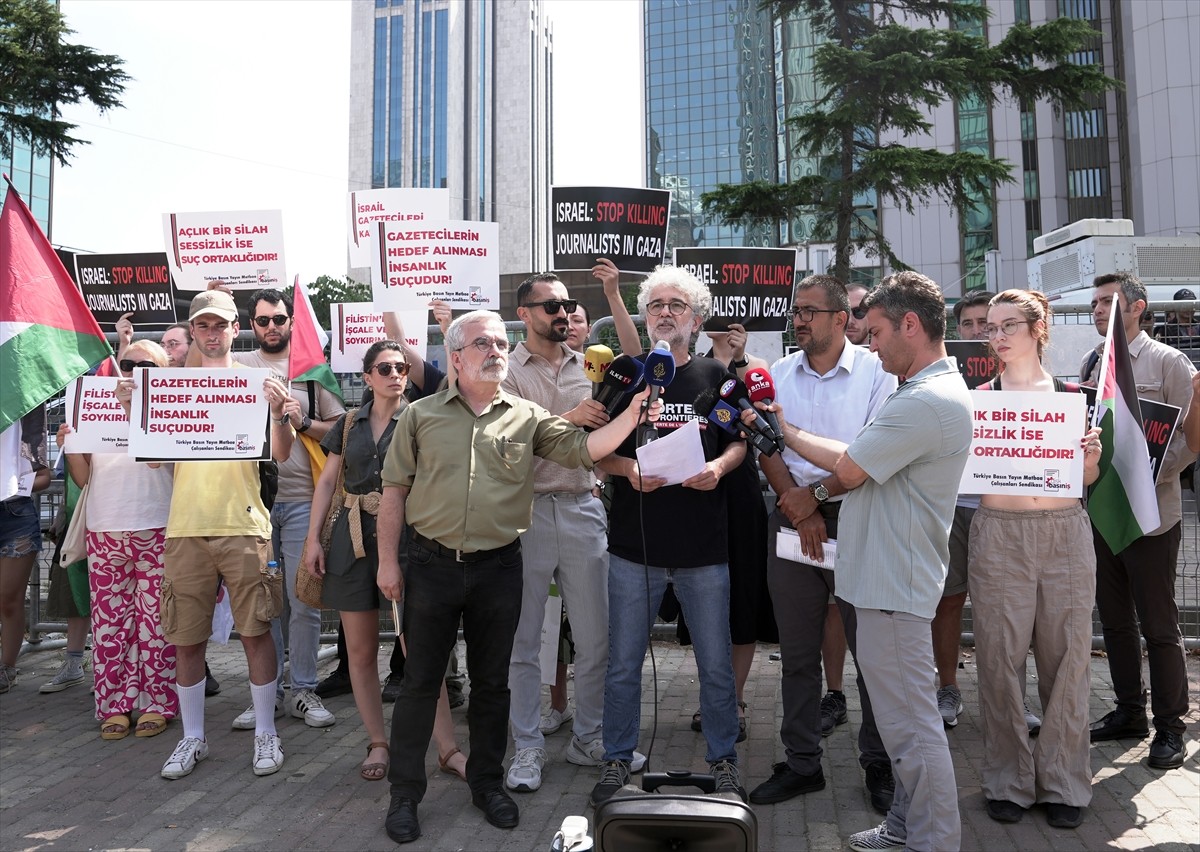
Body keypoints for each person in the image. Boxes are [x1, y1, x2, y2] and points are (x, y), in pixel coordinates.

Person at [375, 310, 658, 844]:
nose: (496, 350)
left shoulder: (525, 415)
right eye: (482, 342)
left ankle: (487, 783)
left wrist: (635, 412)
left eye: (501, 342)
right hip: (430, 567)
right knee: (418, 687)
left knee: (492, 685)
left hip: (500, 566)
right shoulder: (419, 416)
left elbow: (584, 450)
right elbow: (393, 492)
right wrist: (389, 563)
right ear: (455, 356)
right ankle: (404, 796)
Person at [754, 271, 971, 851]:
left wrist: (782, 430)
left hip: (892, 583)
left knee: (913, 729)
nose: (870, 345)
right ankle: (905, 826)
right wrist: (787, 434)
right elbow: (855, 458)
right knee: (905, 727)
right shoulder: (918, 392)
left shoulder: (925, 400)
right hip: (884, 577)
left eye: (874, 332)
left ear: (910, 325)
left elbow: (849, 467)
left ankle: (932, 840)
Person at [590, 265, 747, 807]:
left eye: (676, 304)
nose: (664, 312)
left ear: (697, 319)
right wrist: (624, 470)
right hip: (636, 550)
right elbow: (592, 448)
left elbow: (739, 442)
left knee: (716, 665)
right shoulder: (626, 375)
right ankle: (616, 760)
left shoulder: (717, 376)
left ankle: (723, 763)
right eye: (655, 304)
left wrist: (721, 469)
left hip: (704, 549)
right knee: (623, 664)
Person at [746, 275, 897, 816]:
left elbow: (868, 453)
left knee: (872, 654)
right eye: (796, 311)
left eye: (811, 311)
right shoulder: (778, 374)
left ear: (841, 319)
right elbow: (765, 441)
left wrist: (814, 499)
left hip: (859, 516)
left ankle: (879, 763)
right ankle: (802, 763)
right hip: (791, 518)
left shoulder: (880, 374)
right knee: (798, 654)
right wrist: (794, 500)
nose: (799, 319)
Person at [301, 340, 465, 784]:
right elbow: (328, 480)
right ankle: (378, 741)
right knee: (359, 650)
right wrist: (312, 539)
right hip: (352, 543)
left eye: (401, 367)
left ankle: (447, 748)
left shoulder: (423, 417)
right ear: (367, 376)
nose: (396, 374)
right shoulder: (349, 422)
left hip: (410, 543)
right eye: (385, 368)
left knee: (421, 652)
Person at [501, 274, 641, 794]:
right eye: (552, 305)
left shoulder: (589, 363)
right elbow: (502, 439)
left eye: (568, 305)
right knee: (523, 642)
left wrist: (613, 296)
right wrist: (569, 418)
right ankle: (528, 747)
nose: (563, 313)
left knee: (594, 637)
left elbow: (638, 360)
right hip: (526, 513)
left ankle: (590, 738)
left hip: (583, 507)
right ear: (526, 312)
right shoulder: (506, 368)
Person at [969, 289, 1102, 829]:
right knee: (999, 659)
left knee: (1068, 659)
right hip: (999, 534)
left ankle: (1065, 781)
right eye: (991, 328)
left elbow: (1087, 480)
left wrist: (1089, 457)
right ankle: (1007, 779)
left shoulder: (1076, 396)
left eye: (1009, 326)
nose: (997, 336)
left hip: (1065, 534)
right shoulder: (979, 399)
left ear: (1038, 327)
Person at [157, 290, 295, 780]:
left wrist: (281, 413)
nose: (212, 334)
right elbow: (154, 457)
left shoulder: (260, 382)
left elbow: (280, 453)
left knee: (256, 631)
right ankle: (193, 738)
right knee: (186, 639)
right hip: (187, 527)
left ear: (236, 328)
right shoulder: (169, 387)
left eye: (220, 326)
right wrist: (136, 410)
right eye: (203, 326)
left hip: (243, 523)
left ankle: (265, 733)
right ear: (193, 331)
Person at [1081, 272, 1196, 771]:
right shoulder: (1094, 362)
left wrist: (1151, 478)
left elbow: (1192, 439)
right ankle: (1130, 712)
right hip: (1103, 512)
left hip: (1151, 516)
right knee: (1115, 622)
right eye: (1093, 304)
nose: (1097, 311)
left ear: (1137, 307)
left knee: (1159, 626)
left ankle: (1171, 727)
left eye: (1107, 302)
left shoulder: (1170, 363)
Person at [230, 288, 344, 734]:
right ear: (251, 326)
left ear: (291, 321)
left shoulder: (311, 369)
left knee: (303, 600)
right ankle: (269, 690)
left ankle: (303, 688)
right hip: (253, 501)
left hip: (302, 502)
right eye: (262, 321)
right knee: (263, 604)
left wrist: (302, 422)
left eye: (279, 319)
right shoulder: (238, 370)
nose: (272, 327)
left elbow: (339, 425)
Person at [61, 340, 179, 739]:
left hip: (156, 526)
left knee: (156, 624)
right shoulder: (96, 404)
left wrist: (133, 409)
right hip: (105, 528)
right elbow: (83, 478)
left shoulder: (172, 411)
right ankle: (114, 705)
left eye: (145, 367)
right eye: (127, 364)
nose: (133, 371)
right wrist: (71, 444)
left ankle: (157, 702)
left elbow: (158, 458)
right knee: (110, 626)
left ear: (162, 372)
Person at [0, 404, 51, 693]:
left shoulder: (24, 409)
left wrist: (18, 485)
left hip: (15, 515)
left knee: (8, 598)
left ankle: (6, 668)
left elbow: (45, 475)